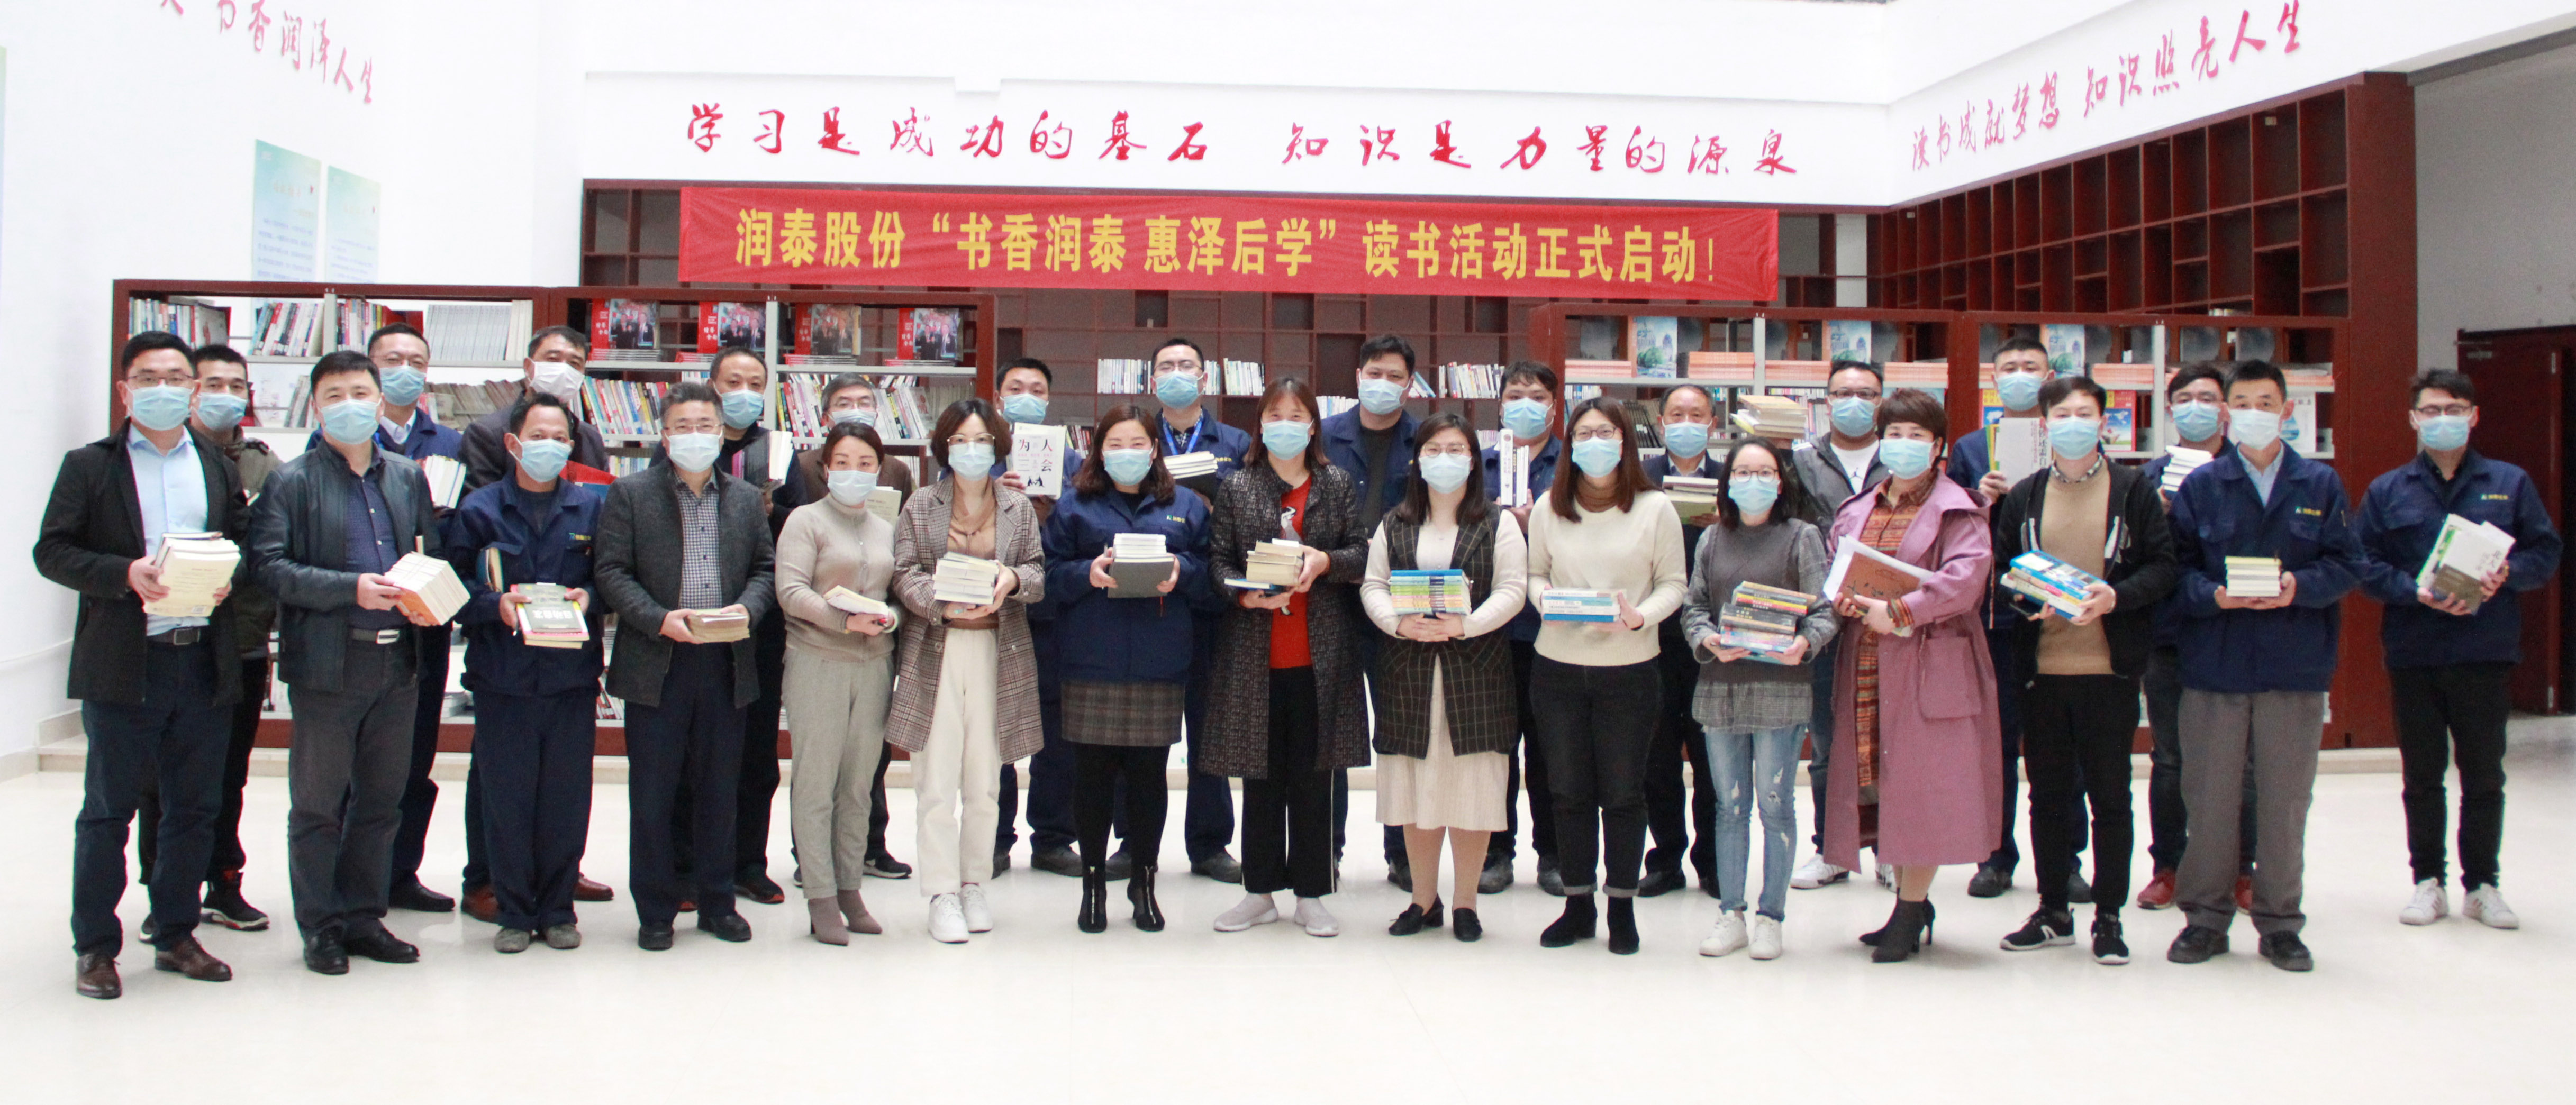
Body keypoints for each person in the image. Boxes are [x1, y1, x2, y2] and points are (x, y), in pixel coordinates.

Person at [39, 332, 249, 998]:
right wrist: (123, 573)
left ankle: (177, 932)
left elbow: (241, 540)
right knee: (109, 810)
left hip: (201, 658)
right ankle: (96, 947)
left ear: (194, 389)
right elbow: (53, 551)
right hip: (125, 662)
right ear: (126, 392)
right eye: (149, 378)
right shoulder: (90, 465)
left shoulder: (215, 465)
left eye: (176, 377)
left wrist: (229, 575)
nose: (164, 388)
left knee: (194, 807)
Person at [249, 350, 447, 975]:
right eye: (335, 395)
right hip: (329, 667)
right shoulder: (291, 481)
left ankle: (364, 916)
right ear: (316, 407)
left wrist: (429, 597)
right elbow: (269, 567)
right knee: (317, 806)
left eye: (361, 392)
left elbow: (428, 553)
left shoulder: (407, 477)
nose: (351, 405)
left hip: (399, 665)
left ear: (380, 399)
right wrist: (349, 589)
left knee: (381, 802)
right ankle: (321, 926)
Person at [2162, 360, 2361, 973]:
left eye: (2265, 402)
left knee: (2284, 800)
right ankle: (2204, 917)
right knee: (2209, 798)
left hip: (2291, 666)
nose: (2253, 412)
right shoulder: (2201, 486)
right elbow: (2173, 574)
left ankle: (2278, 922)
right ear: (2226, 412)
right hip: (2214, 666)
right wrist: (2213, 596)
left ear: (2286, 410)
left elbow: (2346, 564)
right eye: (2242, 402)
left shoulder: (2318, 484)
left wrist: (2298, 586)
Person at [2356, 369, 2562, 930]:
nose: (2441, 420)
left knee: (2483, 774)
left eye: (2453, 409)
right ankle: (2428, 880)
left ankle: (2482, 884)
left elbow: (2545, 551)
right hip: (2414, 651)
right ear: (2413, 419)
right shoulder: (2388, 489)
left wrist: (2508, 573)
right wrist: (2412, 591)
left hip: (2483, 650)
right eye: (2430, 411)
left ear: (2473, 416)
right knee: (2422, 774)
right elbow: (2361, 562)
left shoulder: (2509, 482)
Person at [1988, 376, 2179, 965]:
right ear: (2045, 425)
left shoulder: (2133, 489)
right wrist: (2026, 601)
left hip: (2108, 671)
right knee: (2046, 797)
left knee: (2110, 797)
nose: (2073, 423)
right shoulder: (2024, 494)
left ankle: (2109, 915)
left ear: (2103, 422)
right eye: (2062, 414)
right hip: (2041, 669)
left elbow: (2163, 566)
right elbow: (2001, 573)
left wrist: (2116, 597)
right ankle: (2052, 910)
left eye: (2084, 413)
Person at [592, 380, 774, 951]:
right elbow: (611, 571)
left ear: (721, 433)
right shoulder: (630, 494)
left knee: (720, 789)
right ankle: (656, 909)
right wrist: (658, 619)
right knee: (653, 794)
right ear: (665, 435)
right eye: (683, 427)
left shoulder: (744, 498)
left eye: (705, 426)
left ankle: (718, 902)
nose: (695, 436)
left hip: (725, 661)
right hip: (658, 661)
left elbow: (765, 569)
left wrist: (747, 609)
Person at [1821, 388, 2000, 963]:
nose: (1903, 445)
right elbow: (1838, 565)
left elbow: (1964, 580)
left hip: (1928, 659)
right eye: (1894, 434)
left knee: (1921, 786)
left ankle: (1910, 907)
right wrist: (1844, 599)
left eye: (1916, 435)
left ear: (1938, 445)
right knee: (1878, 781)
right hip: (1867, 659)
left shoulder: (1958, 509)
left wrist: (1902, 610)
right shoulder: (1859, 507)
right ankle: (1909, 903)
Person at [454, 324, 616, 919]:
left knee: (567, 795)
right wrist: (491, 605)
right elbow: (455, 583)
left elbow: (611, 575)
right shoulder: (480, 506)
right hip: (504, 672)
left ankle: (558, 900)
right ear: (513, 442)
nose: (549, 445)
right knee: (505, 793)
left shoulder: (591, 506)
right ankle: (510, 902)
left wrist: (589, 597)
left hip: (570, 673)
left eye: (559, 438)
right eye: (537, 437)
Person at [1203, 378, 1369, 937]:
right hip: (1256, 654)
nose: (1285, 425)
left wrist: (1325, 562)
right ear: (1260, 424)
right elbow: (1217, 561)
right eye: (1275, 415)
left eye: (1296, 415)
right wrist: (1242, 594)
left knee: (1314, 778)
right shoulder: (1238, 485)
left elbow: (1360, 552)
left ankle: (1312, 893)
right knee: (1260, 777)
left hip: (1320, 654)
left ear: (1313, 425)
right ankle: (1258, 891)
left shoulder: (1335, 483)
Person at [1523, 396, 1689, 954]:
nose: (1595, 443)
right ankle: (1577, 904)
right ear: (1570, 443)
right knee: (1567, 791)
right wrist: (1546, 602)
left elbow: (1673, 584)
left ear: (1625, 440)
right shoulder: (1549, 508)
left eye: (1606, 432)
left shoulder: (1655, 508)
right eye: (1584, 433)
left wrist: (1640, 616)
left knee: (1622, 793)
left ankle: (1621, 906)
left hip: (1629, 669)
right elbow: (1534, 575)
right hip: (1558, 669)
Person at [1041, 404, 1214, 932]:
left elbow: (1212, 575)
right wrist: (1086, 573)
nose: (1127, 453)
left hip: (1159, 660)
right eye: (1114, 444)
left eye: (1137, 443)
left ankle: (1144, 880)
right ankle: (1093, 883)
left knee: (1148, 778)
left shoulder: (1185, 504)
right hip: (1092, 658)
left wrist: (1181, 570)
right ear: (1098, 450)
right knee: (1091, 777)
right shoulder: (1074, 505)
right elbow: (1046, 577)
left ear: (1154, 449)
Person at [886, 399, 1046, 943]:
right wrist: (940, 600)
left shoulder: (1017, 506)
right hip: (937, 646)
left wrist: (1011, 580)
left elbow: (1036, 573)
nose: (972, 450)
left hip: (998, 650)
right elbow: (903, 572)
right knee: (935, 779)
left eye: (981, 441)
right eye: (961, 441)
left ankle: (974, 880)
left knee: (986, 779)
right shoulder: (920, 503)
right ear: (944, 447)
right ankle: (941, 891)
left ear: (997, 446)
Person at [1362, 412, 1525, 943]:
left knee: (1472, 789)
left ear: (1474, 460)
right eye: (1433, 449)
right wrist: (1396, 622)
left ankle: (1466, 903)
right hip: (1409, 670)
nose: (1444, 459)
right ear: (1417, 460)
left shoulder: (1498, 522)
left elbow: (1512, 589)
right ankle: (1423, 899)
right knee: (1417, 790)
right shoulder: (1394, 522)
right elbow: (1372, 585)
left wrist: (1466, 625)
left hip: (1475, 671)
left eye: (1456, 449)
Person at [131, 343, 275, 934]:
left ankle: (223, 880)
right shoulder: (146, 461)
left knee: (226, 775)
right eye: (213, 384)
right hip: (164, 637)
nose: (224, 396)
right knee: (158, 780)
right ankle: (164, 890)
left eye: (236, 386)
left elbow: (263, 550)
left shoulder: (263, 465)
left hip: (240, 641)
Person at [1676, 437, 1836, 960]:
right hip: (1720, 687)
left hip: (1780, 689)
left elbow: (1823, 611)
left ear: (1781, 481)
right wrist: (1707, 639)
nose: (1753, 481)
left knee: (1774, 804)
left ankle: (1771, 916)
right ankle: (1731, 913)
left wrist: (1804, 643)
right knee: (1729, 806)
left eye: (1764, 472)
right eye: (1742, 472)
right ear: (1727, 483)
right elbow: (1693, 607)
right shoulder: (1711, 538)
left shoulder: (1801, 537)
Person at [334, 324, 469, 918]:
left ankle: (399, 872)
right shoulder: (336, 437)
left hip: (424, 622)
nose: (405, 369)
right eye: (392, 359)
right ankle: (346, 880)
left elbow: (467, 526)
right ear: (370, 368)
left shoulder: (451, 443)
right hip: (355, 620)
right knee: (349, 764)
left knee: (414, 757)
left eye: (417, 360)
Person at [768, 371, 918, 882]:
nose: (855, 472)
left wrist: (891, 617)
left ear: (881, 469)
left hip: (874, 663)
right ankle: (819, 887)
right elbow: (791, 592)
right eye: (844, 463)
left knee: (859, 782)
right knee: (817, 780)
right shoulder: (805, 519)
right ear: (826, 467)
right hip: (818, 660)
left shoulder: (887, 526)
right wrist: (844, 619)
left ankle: (851, 881)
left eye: (866, 463)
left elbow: (900, 589)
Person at [1943, 336, 2070, 901]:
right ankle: (1994, 855)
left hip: (2060, 614)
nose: (2021, 376)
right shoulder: (1972, 447)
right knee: (1995, 744)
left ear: (2050, 376)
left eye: (2031, 367)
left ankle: (2064, 861)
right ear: (1993, 381)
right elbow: (1947, 523)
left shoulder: (2070, 440)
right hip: (1995, 617)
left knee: (2059, 745)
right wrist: (1980, 498)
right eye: (2010, 368)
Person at [2133, 362, 2256, 912]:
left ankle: (2242, 869)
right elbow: (2131, 555)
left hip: (2235, 630)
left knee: (2243, 760)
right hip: (2168, 634)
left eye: (2207, 397)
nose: (2196, 408)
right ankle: (2169, 867)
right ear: (2169, 409)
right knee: (2170, 757)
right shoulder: (2147, 477)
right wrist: (2160, 516)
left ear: (2225, 407)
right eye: (2184, 398)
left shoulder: (2247, 469)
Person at [677, 346, 790, 906]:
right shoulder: (685, 444)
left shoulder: (780, 451)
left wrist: (770, 513)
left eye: (755, 382)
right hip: (686, 626)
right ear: (711, 384)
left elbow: (797, 531)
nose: (743, 392)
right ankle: (686, 866)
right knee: (688, 757)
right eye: (733, 381)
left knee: (755, 755)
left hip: (756, 624)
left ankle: (748, 862)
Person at [1317, 336, 1426, 889]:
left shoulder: (1425, 440)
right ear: (1358, 375)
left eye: (1395, 376)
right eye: (1374, 373)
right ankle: (1325, 851)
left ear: (1409, 385)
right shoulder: (1324, 435)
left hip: (1400, 604)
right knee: (1330, 734)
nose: (1383, 383)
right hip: (1333, 600)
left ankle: (1403, 853)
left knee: (1400, 733)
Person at [1146, 337, 1248, 884]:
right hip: (1149, 600)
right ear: (1152, 381)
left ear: (1205, 379)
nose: (1177, 373)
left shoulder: (1236, 441)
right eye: (1167, 366)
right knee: (1142, 730)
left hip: (1212, 602)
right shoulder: (1133, 436)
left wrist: (1215, 506)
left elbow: (1257, 511)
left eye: (1187, 365)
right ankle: (1134, 841)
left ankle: (1210, 844)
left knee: (1210, 728)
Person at [993, 357, 1097, 880]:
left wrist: (1055, 507)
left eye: (1037, 389)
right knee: (995, 731)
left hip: (1056, 612)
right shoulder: (980, 453)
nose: (1027, 397)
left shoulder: (1074, 461)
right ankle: (993, 839)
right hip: (996, 612)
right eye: (1016, 388)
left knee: (1058, 732)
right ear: (998, 398)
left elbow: (1088, 527)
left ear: (1049, 401)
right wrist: (1000, 498)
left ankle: (1054, 838)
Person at [1786, 360, 1888, 891]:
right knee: (1826, 740)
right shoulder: (1801, 461)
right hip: (1823, 616)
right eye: (1843, 392)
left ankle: (1891, 848)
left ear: (1881, 400)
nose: (1854, 402)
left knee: (1888, 738)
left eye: (1866, 393)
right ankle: (1831, 848)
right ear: (1825, 401)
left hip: (1889, 615)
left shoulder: (1900, 456)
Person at [1481, 361, 1566, 895]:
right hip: (1492, 629)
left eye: (1536, 397)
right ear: (1500, 405)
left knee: (1550, 747)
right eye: (1515, 396)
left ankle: (1553, 855)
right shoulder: (1478, 463)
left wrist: (1540, 523)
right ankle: (1496, 852)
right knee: (1495, 749)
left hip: (1553, 628)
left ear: (1554, 408)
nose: (1525, 405)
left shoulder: (1573, 464)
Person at [1640, 383, 1723, 897]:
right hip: (1652, 633)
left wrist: (1727, 522)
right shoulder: (1639, 478)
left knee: (1712, 756)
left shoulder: (1732, 479)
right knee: (1657, 755)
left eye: (1697, 414)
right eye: (1677, 414)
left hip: (1713, 637)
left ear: (1712, 423)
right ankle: (1665, 858)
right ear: (1661, 422)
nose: (1686, 422)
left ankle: (1712, 862)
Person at [459, 326, 609, 491]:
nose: (563, 371)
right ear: (528, 366)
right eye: (553, 359)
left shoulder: (590, 438)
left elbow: (600, 500)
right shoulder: (486, 433)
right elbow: (481, 502)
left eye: (574, 363)